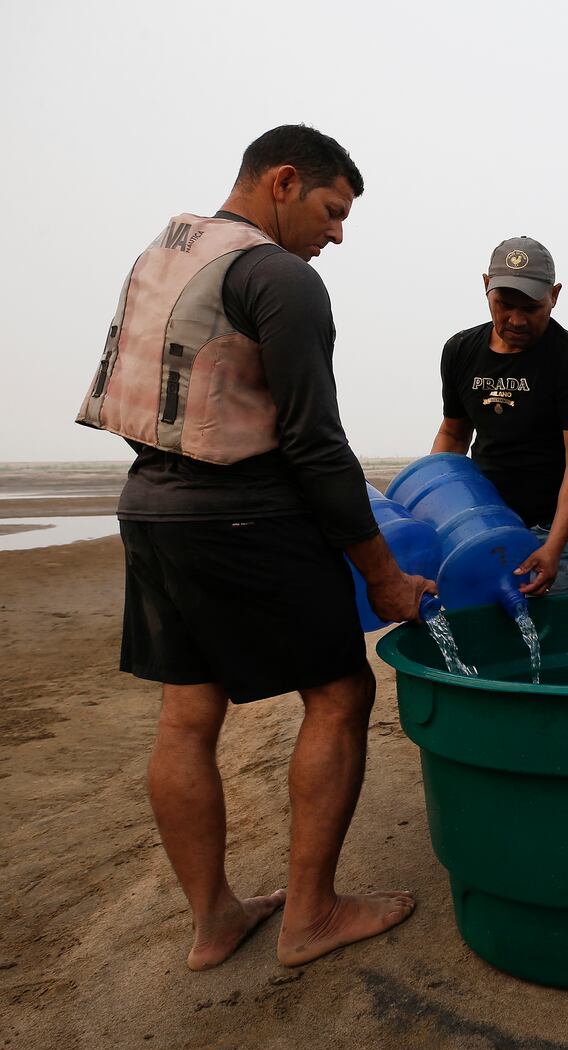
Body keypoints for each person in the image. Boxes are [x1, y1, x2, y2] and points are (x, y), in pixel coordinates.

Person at [76, 125, 432, 969]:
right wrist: (379, 573)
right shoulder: (281, 277)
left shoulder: (164, 254)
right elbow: (316, 443)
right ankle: (311, 915)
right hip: (243, 516)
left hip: (152, 508)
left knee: (188, 712)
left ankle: (215, 922)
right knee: (340, 692)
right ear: (282, 181)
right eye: (333, 210)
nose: (337, 233)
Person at [431, 237, 568, 595]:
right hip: (482, 521)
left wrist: (554, 547)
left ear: (554, 296)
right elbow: (453, 434)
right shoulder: (461, 351)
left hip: (554, 525)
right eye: (504, 305)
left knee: (552, 638)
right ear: (485, 287)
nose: (516, 319)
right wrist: (435, 504)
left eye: (530, 308)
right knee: (489, 638)